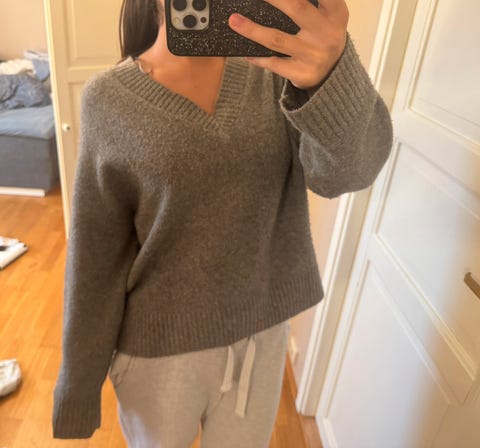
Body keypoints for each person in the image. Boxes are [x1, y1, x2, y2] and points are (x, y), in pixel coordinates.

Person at [52, 0, 393, 446]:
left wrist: (332, 76)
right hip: (157, 351)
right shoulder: (108, 99)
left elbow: (347, 174)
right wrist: (77, 385)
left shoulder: (278, 75)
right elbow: (95, 257)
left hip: (260, 341)